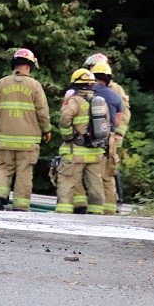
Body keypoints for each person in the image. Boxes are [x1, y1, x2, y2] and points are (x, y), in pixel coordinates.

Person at [0, 49, 51, 211]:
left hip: (4, 139)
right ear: (29, 66)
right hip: (28, 142)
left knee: (4, 168)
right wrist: (47, 129)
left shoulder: (2, 84)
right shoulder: (35, 86)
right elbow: (42, 111)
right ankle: (20, 206)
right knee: (24, 172)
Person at [71, 53, 131, 213]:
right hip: (92, 136)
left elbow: (123, 115)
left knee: (108, 171)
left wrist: (118, 134)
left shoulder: (115, 89)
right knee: (93, 170)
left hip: (109, 135)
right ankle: (93, 204)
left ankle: (114, 203)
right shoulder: (89, 87)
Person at [55, 68, 106, 214]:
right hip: (96, 152)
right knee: (96, 184)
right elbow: (106, 125)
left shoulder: (74, 101)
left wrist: (68, 136)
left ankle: (63, 213)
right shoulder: (101, 103)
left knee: (66, 182)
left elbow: (65, 121)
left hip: (75, 151)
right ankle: (96, 213)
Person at [90, 61, 128, 214]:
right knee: (108, 175)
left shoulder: (88, 93)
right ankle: (110, 208)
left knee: (92, 173)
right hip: (110, 140)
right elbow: (119, 121)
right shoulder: (115, 96)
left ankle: (93, 207)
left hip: (90, 139)